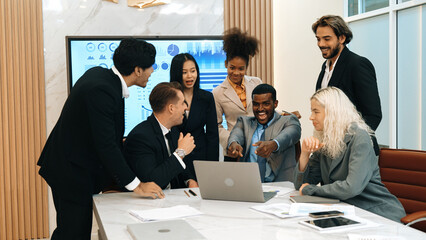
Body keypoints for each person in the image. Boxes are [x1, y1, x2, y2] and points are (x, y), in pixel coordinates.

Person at [37, 38, 164, 240]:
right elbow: (105, 145)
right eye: (151, 67)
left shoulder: (104, 78)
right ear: (138, 69)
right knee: (73, 234)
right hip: (71, 171)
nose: (152, 72)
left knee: (70, 231)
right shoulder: (103, 89)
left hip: (73, 167)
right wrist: (136, 185)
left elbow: (106, 138)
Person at [294, 87, 405, 222]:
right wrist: (305, 154)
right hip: (346, 212)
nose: (311, 117)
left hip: (377, 214)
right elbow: (300, 185)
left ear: (332, 113)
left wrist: (310, 190)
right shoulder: (325, 139)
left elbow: (351, 188)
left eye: (316, 112)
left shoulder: (359, 137)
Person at [312, 15, 381, 154]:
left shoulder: (358, 64)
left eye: (327, 39)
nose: (321, 44)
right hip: (331, 149)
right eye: (318, 39)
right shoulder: (324, 68)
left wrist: (351, 144)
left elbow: (373, 115)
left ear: (342, 38)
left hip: (355, 151)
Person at [124, 82, 198, 189]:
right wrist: (180, 152)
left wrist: (189, 180)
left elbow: (180, 167)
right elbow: (152, 182)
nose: (185, 108)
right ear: (171, 108)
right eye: (182, 103)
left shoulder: (174, 131)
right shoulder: (140, 138)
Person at [227, 84, 301, 182]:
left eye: (266, 104)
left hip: (281, 185)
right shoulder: (244, 122)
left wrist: (274, 144)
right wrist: (233, 144)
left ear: (275, 104)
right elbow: (235, 135)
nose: (260, 109)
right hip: (249, 184)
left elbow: (289, 135)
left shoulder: (289, 120)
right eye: (256, 104)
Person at [212, 28, 262, 160]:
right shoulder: (217, 92)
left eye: (241, 69)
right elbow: (216, 125)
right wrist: (231, 141)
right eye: (232, 67)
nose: (236, 72)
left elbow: (266, 109)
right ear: (225, 64)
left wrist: (285, 114)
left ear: (247, 67)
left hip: (257, 146)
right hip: (234, 150)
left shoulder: (256, 83)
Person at [169, 53, 219, 178]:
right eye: (184, 72)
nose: (190, 76)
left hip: (201, 156)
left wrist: (213, 166)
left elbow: (213, 134)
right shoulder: (169, 97)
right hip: (176, 155)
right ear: (176, 74)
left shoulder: (206, 97)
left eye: (193, 71)